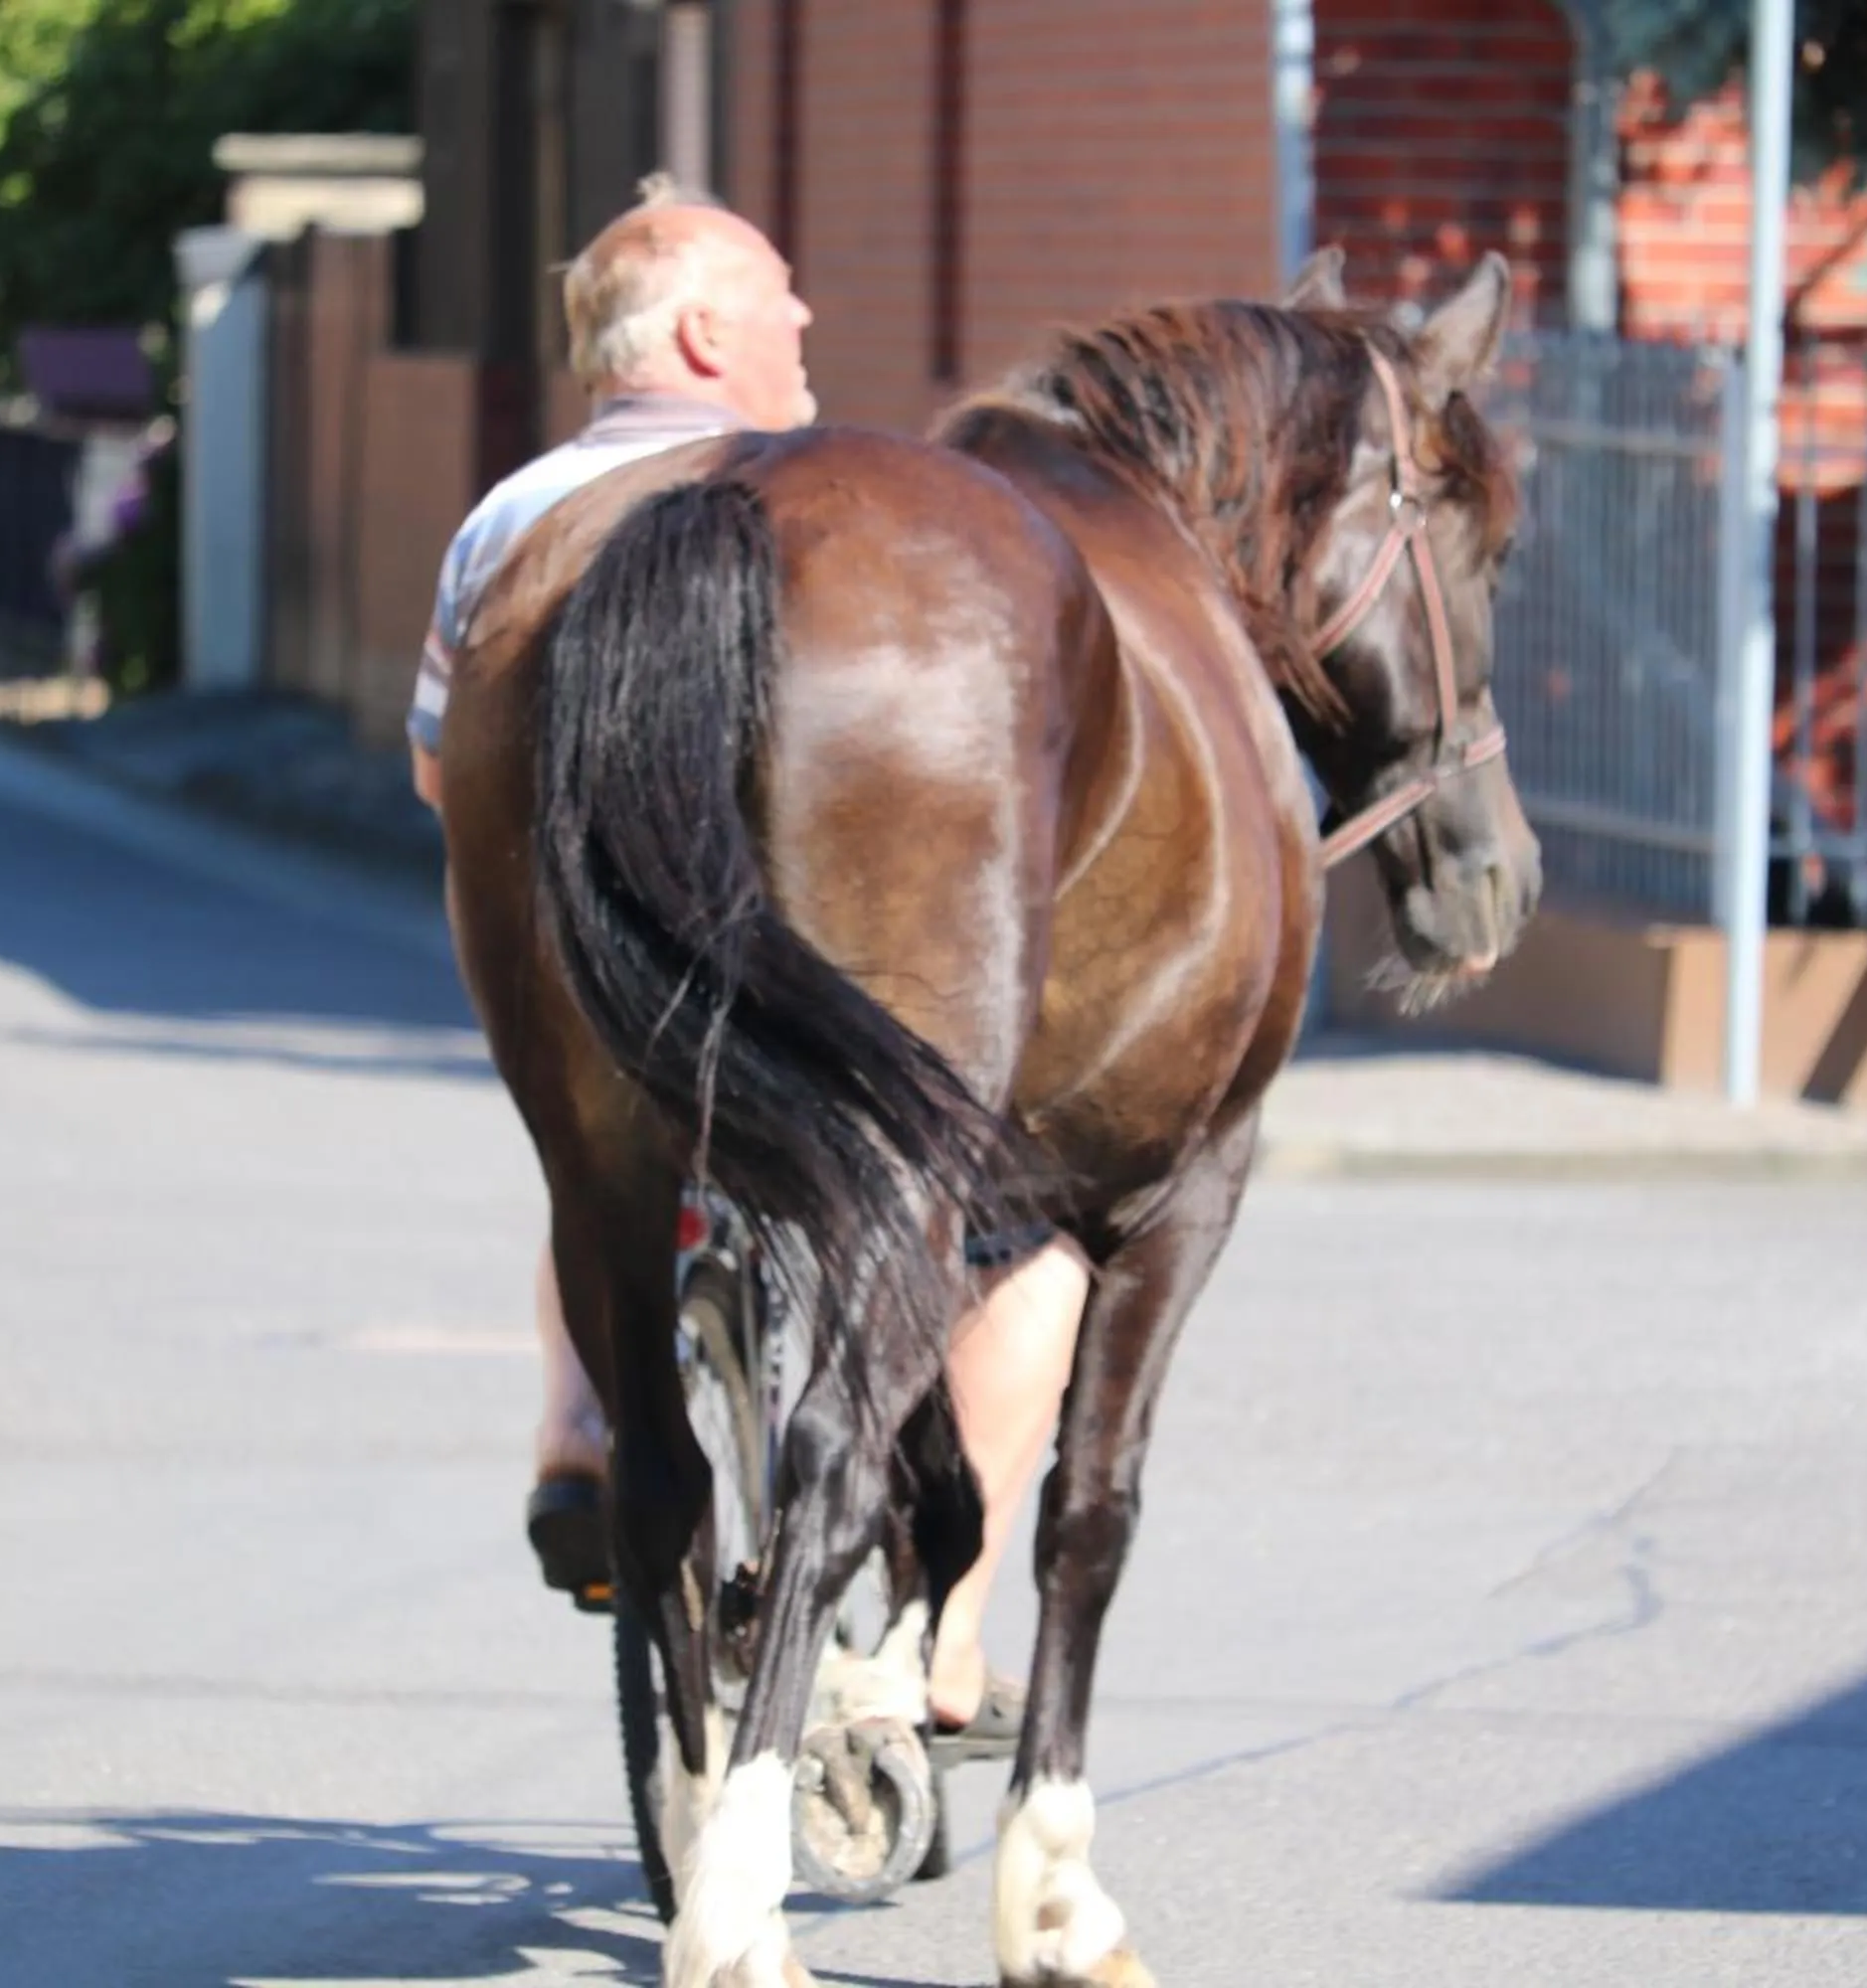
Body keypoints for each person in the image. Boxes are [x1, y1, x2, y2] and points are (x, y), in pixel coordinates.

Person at [410, 180, 1088, 1744]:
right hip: (818, 987)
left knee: (595, 1167)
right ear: (705, 329)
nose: (802, 323)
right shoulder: (843, 519)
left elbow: (447, 778)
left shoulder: (507, 519)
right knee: (1031, 1237)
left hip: (594, 999)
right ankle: (947, 1634)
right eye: (778, 294)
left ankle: (577, 1430)